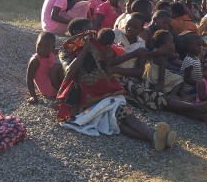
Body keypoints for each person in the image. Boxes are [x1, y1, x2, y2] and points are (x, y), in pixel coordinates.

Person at [56, 19, 176, 151]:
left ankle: (153, 137)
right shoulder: (65, 51)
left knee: (117, 116)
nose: (92, 34)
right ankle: (154, 137)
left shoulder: (96, 45)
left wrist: (107, 59)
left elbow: (106, 69)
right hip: (82, 97)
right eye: (88, 31)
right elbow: (69, 71)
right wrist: (84, 49)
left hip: (104, 91)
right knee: (116, 118)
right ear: (77, 33)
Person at [142, 30, 186, 98]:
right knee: (179, 78)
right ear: (166, 45)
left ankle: (183, 95)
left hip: (149, 74)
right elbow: (161, 77)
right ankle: (173, 94)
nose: (174, 44)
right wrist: (160, 92)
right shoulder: (163, 57)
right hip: (155, 78)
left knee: (172, 73)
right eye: (171, 43)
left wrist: (171, 56)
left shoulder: (156, 50)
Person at [26, 32, 64, 103]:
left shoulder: (52, 52)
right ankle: (63, 93)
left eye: (46, 48)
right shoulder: (35, 60)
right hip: (47, 87)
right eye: (39, 46)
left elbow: (63, 51)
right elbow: (29, 78)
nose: (42, 50)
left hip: (53, 81)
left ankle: (66, 88)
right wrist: (33, 96)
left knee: (65, 67)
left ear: (52, 48)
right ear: (36, 43)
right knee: (57, 66)